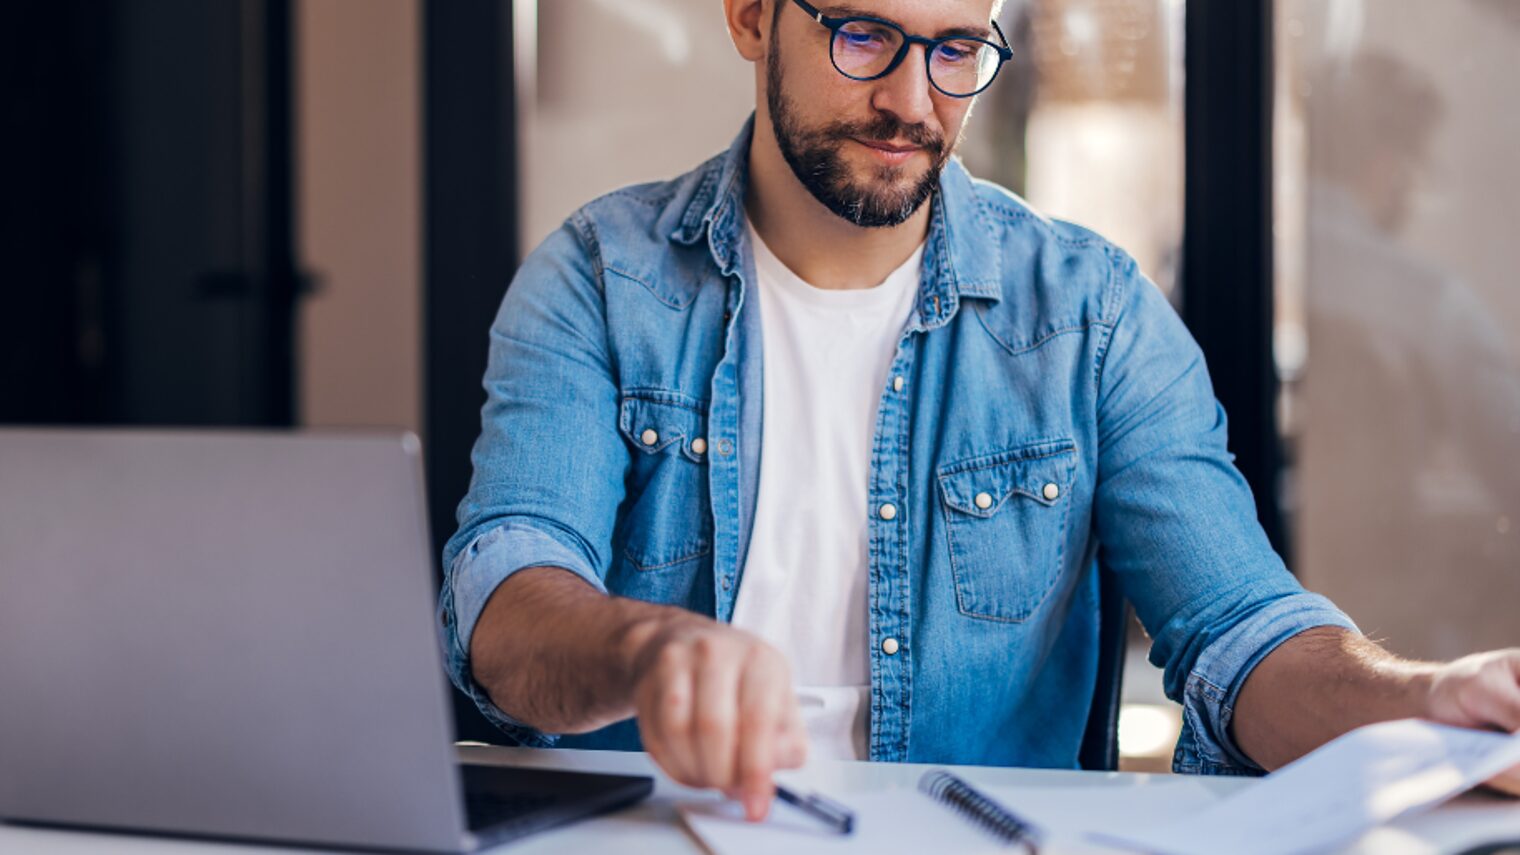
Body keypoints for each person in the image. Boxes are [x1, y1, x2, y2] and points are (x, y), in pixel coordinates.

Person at [437, 0, 1520, 823]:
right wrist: (644, 647)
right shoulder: (600, 277)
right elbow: (507, 593)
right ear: (752, 16)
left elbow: (1240, 633)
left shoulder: (1091, 315)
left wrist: (1428, 701)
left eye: (956, 49)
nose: (913, 102)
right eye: (864, 35)